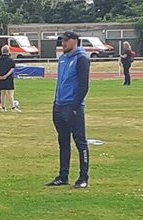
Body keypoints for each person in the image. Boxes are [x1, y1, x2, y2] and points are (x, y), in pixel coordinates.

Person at [46, 31, 91, 189]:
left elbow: (84, 86)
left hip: (73, 107)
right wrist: (55, 102)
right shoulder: (63, 59)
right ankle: (63, 175)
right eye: (62, 41)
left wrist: (75, 106)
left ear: (75, 41)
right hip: (59, 105)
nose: (63, 43)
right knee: (63, 142)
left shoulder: (81, 59)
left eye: (66, 40)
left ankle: (83, 177)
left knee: (80, 142)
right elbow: (60, 83)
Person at [0, 45, 20, 112]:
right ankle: (13, 107)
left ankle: (3, 107)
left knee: (2, 93)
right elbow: (12, 69)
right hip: (8, 78)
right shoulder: (11, 60)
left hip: (1, 78)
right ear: (8, 51)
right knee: (10, 93)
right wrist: (6, 75)